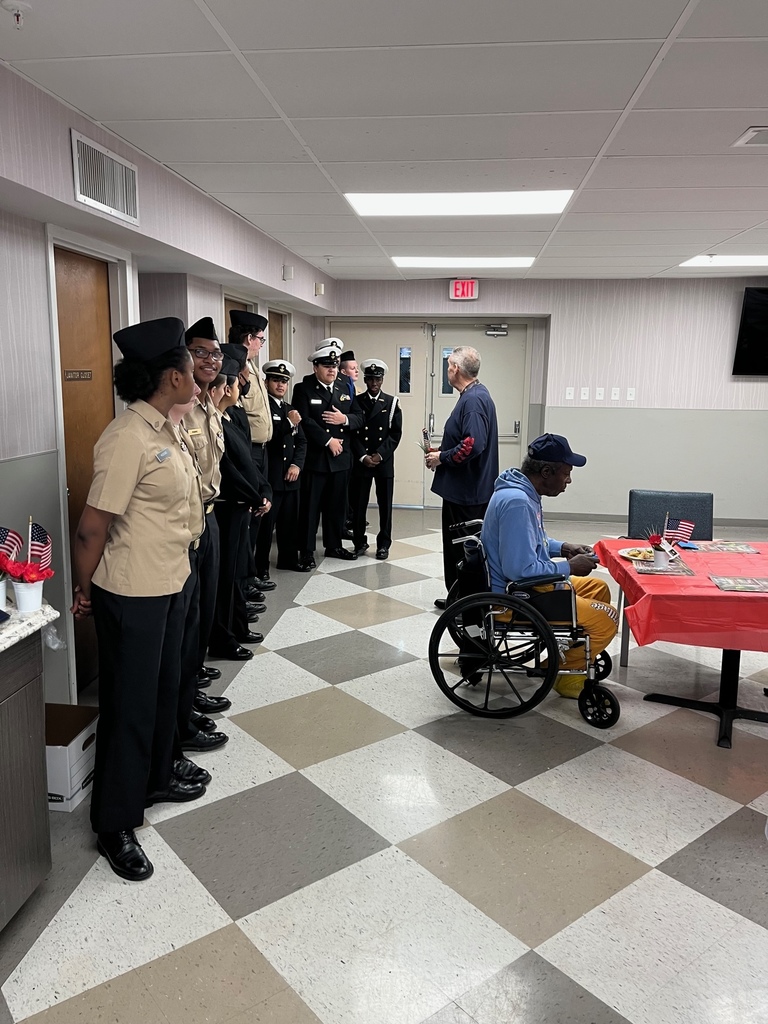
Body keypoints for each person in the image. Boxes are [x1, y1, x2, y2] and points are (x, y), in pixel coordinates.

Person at [71, 317, 205, 882]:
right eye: (192, 369)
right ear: (172, 376)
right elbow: (92, 526)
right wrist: (82, 587)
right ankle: (114, 823)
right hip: (131, 591)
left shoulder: (164, 427)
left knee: (163, 686)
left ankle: (154, 778)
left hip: (169, 580)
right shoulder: (127, 437)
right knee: (128, 704)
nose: (199, 376)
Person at [480, 433, 619, 698]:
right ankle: (558, 673)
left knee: (598, 588)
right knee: (607, 620)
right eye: (566, 473)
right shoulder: (518, 502)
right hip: (516, 596)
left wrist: (564, 548)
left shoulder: (522, 492)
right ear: (546, 471)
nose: (568, 480)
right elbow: (519, 571)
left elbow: (533, 540)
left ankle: (574, 656)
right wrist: (569, 567)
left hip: (528, 587)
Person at [181, 317, 231, 707]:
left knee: (203, 607)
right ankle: (187, 695)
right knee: (189, 616)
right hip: (187, 524)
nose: (211, 360)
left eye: (215, 354)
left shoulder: (207, 404)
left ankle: (193, 681)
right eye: (200, 353)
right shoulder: (182, 410)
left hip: (209, 516)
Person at [208, 355, 272, 659]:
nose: (241, 386)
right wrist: (254, 496)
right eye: (237, 381)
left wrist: (263, 490)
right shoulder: (215, 421)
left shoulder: (234, 416)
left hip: (243, 503)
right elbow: (227, 469)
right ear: (225, 387)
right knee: (227, 576)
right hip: (229, 505)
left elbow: (248, 461)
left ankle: (238, 625)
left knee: (239, 571)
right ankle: (224, 635)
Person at [425, 346, 499, 607]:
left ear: (455, 369)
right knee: (465, 551)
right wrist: (443, 451)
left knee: (462, 551)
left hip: (467, 494)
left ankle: (463, 604)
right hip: (468, 490)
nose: (448, 370)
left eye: (448, 366)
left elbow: (473, 444)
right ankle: (461, 598)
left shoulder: (473, 400)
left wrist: (442, 458)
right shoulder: (474, 395)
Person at [292, 340, 364, 569]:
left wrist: (345, 419)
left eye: (334, 365)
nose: (332, 369)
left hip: (341, 459)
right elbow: (304, 420)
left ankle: (333, 545)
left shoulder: (344, 386)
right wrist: (328, 440)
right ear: (316, 367)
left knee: (336, 506)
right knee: (310, 508)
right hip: (316, 459)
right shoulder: (303, 388)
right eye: (326, 365)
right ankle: (306, 550)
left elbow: (359, 416)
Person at [227, 310, 276, 592]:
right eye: (260, 338)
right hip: (247, 450)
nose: (261, 344)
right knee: (248, 518)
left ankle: (251, 574)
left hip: (262, 449)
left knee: (259, 517)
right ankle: (243, 581)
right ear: (249, 338)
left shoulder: (252, 366)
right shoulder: (237, 367)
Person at [254, 360, 307, 574]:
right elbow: (267, 437)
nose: (280, 385)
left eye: (284, 382)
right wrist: (288, 423)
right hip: (272, 476)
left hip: (291, 477)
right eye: (276, 380)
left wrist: (297, 464)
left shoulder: (289, 409)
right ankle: (261, 567)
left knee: (289, 523)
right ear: (267, 382)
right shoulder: (262, 409)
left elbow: (302, 442)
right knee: (266, 528)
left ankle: (288, 559)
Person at [350, 359, 402, 560]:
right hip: (362, 460)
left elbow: (395, 434)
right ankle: (359, 542)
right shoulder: (357, 401)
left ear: (382, 380)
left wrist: (380, 454)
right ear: (365, 379)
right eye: (370, 379)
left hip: (383, 461)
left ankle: (384, 544)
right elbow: (352, 433)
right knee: (359, 504)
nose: (374, 383)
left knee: (385, 505)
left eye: (377, 379)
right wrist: (363, 456)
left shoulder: (391, 402)